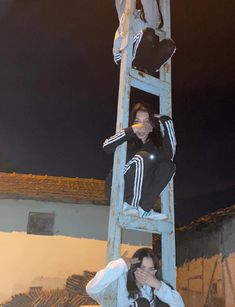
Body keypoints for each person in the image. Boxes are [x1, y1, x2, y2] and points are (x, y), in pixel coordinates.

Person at [103, 102, 176, 220]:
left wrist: (167, 122)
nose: (142, 126)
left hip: (139, 196)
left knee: (168, 166)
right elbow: (107, 146)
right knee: (143, 157)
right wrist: (133, 129)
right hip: (117, 189)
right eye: (137, 121)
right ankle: (129, 205)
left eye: (146, 122)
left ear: (152, 126)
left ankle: (144, 209)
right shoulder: (127, 140)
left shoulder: (153, 147)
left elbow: (169, 154)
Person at [86, 247, 184, 307]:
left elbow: (179, 305)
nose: (145, 273)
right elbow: (91, 289)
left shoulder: (150, 289)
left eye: (150, 269)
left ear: (155, 271)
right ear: (134, 267)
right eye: (142, 267)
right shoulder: (120, 281)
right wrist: (120, 265)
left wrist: (158, 285)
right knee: (142, 304)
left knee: (164, 297)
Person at [113, 0, 176, 75]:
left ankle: (147, 69)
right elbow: (120, 2)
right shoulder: (125, 11)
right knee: (148, 34)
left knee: (169, 45)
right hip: (123, 54)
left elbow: (150, 6)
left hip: (144, 58)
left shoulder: (149, 18)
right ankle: (136, 64)